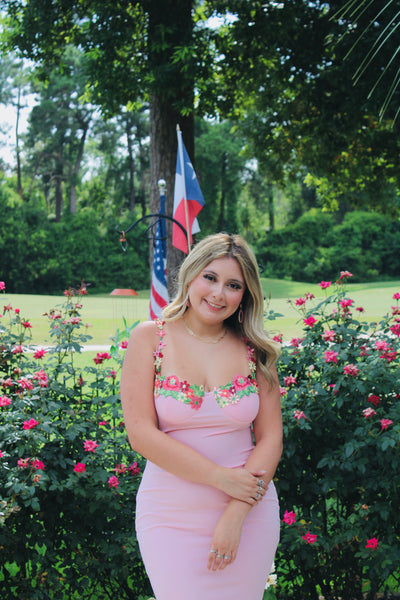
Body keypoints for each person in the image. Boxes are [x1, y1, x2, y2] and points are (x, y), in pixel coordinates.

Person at [120, 233, 283, 600]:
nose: (218, 294)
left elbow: (271, 439)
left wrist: (236, 512)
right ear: (191, 275)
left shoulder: (255, 351)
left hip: (248, 510)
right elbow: (141, 434)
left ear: (246, 294)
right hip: (170, 514)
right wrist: (221, 479)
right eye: (210, 277)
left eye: (233, 285)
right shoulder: (150, 339)